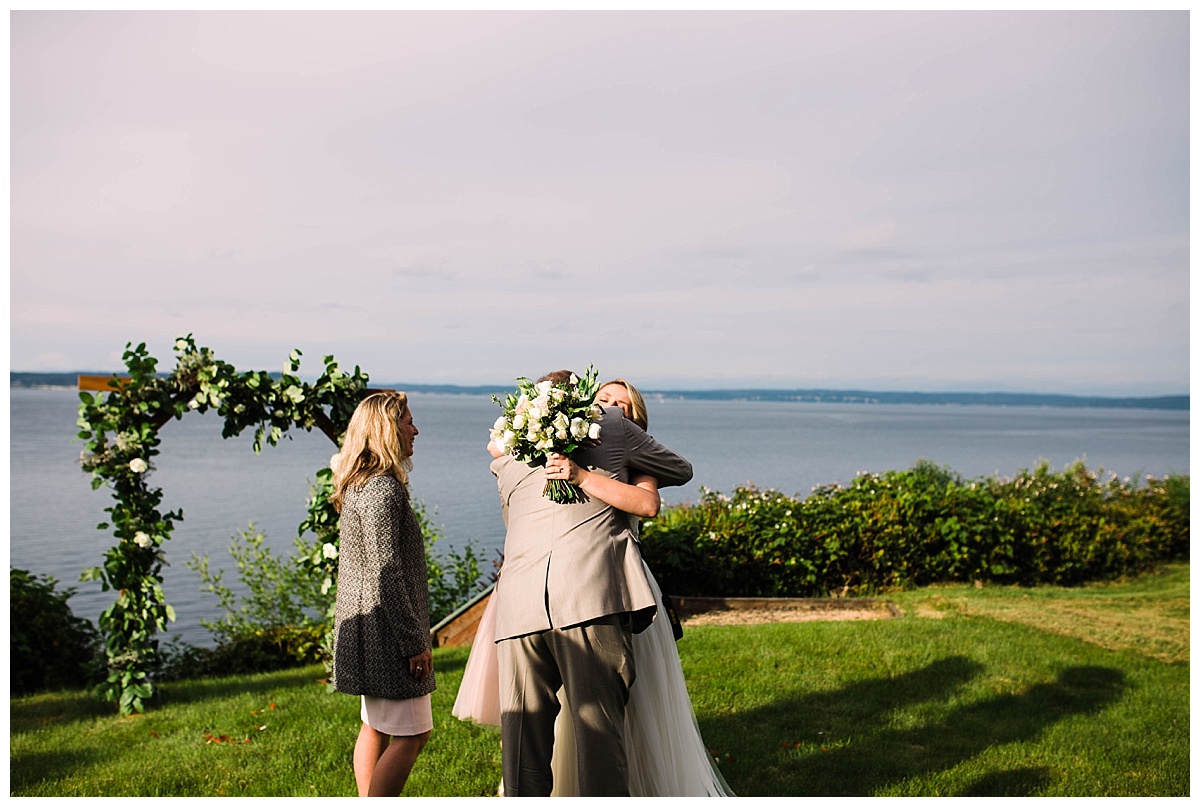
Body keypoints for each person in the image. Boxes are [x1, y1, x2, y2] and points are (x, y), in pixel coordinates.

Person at [489, 370, 694, 797]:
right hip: (589, 596)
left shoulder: (514, 452)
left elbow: (515, 516)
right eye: (602, 399)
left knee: (523, 743)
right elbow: (681, 468)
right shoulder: (616, 427)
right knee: (598, 736)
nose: (608, 407)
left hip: (517, 604)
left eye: (618, 404)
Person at [330, 391, 435, 797]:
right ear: (389, 429)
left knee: (374, 728)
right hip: (386, 637)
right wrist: (415, 642)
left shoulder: (360, 484)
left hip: (367, 632)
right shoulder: (382, 491)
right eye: (408, 421)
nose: (415, 429)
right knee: (412, 736)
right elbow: (387, 573)